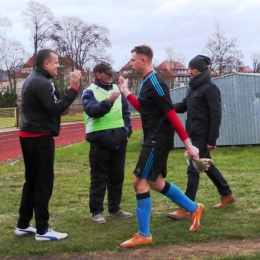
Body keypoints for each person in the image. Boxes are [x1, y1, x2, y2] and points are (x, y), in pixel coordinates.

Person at [118, 45, 204, 248]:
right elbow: (144, 108)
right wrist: (126, 92)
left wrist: (188, 144)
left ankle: (144, 234)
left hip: (157, 139)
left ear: (143, 61)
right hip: (153, 137)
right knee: (155, 182)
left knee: (139, 183)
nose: (130, 64)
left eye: (132, 60)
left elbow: (170, 113)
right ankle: (193, 208)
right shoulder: (147, 82)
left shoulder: (156, 81)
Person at [14, 49, 81, 241]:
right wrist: (73, 89)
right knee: (43, 182)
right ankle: (42, 230)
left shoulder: (34, 79)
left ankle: (23, 224)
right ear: (46, 64)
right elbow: (54, 109)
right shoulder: (41, 81)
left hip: (29, 135)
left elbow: (50, 107)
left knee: (32, 181)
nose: (58, 66)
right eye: (56, 62)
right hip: (39, 137)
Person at [167, 55, 236, 220]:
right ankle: (227, 194)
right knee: (207, 165)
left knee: (194, 168)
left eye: (192, 68)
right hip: (193, 134)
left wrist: (212, 139)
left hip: (203, 136)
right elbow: (184, 106)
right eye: (189, 68)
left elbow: (216, 114)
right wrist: (167, 107)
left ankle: (186, 206)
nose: (189, 71)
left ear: (200, 69)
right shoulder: (193, 87)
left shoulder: (210, 88)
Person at [82, 62, 133, 224]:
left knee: (117, 176)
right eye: (107, 74)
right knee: (98, 177)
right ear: (98, 75)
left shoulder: (116, 89)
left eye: (112, 73)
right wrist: (108, 103)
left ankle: (114, 208)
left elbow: (125, 111)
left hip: (119, 139)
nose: (111, 76)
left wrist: (127, 131)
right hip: (100, 141)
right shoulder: (89, 92)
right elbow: (92, 111)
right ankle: (96, 211)